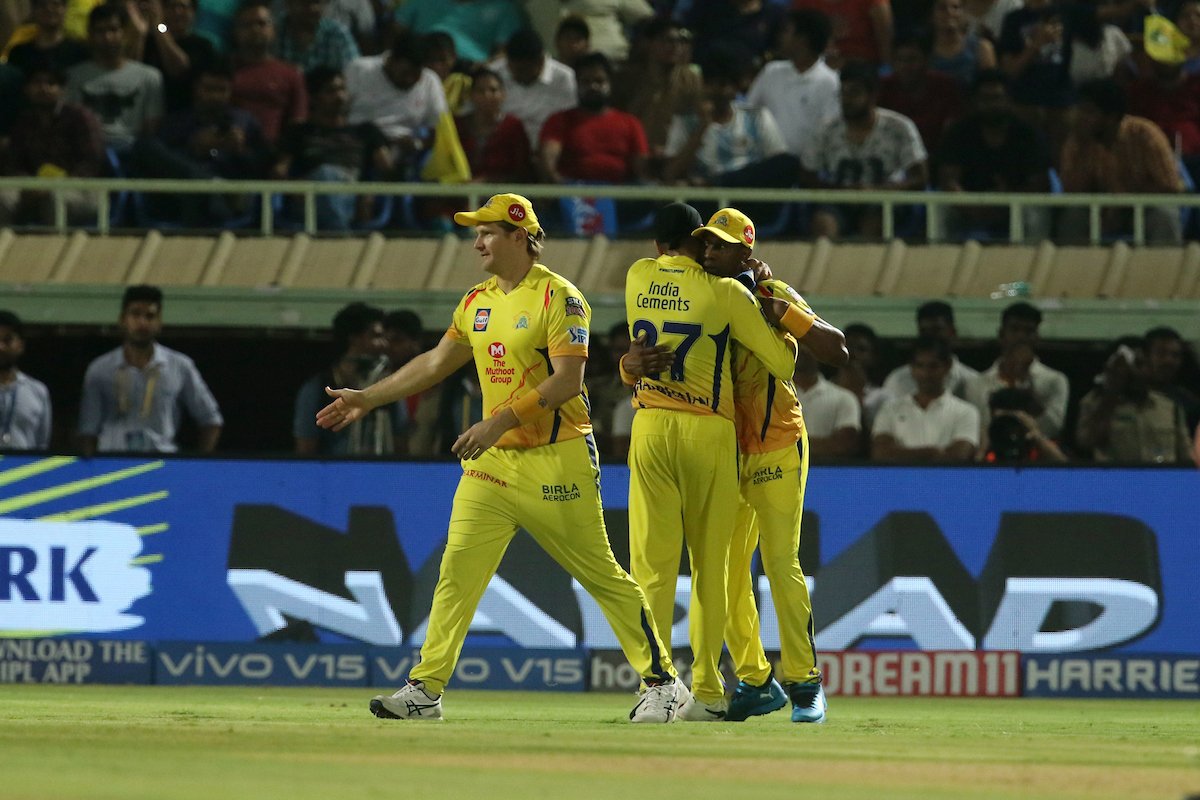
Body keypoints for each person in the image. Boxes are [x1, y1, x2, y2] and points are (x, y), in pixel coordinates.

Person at [317, 193, 684, 723]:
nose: (477, 243)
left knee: (600, 574)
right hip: (492, 468)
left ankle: (664, 684)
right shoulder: (476, 301)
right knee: (456, 573)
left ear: (520, 236)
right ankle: (425, 690)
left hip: (556, 458)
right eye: (476, 232)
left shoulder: (560, 297)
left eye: (487, 232)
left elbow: (567, 382)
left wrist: (498, 420)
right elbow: (436, 362)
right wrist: (367, 398)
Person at [622, 203, 799, 721]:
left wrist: (627, 364)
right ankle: (708, 691)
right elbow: (784, 363)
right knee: (710, 569)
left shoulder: (636, 275)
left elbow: (635, 349)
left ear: (657, 245)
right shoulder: (724, 292)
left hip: (649, 423)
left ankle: (655, 689)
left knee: (650, 569)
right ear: (700, 246)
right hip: (709, 430)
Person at [685, 207, 846, 723]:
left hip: (776, 442)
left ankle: (805, 686)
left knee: (780, 564)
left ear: (746, 254)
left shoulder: (774, 295)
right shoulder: (698, 297)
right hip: (723, 452)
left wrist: (784, 315)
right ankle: (756, 681)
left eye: (720, 246)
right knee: (725, 573)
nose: (709, 253)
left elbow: (837, 350)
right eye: (706, 244)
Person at [77, 285, 223, 455]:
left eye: (150, 316)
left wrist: (197, 466)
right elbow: (88, 431)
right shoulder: (100, 369)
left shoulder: (180, 366)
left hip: (163, 465)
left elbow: (211, 420)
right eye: (135, 314)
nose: (142, 322)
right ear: (122, 320)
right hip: (113, 463)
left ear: (159, 323)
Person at [807, 60, 929, 240]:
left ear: (872, 95)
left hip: (884, 202)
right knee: (823, 223)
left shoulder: (899, 127)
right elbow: (806, 175)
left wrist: (880, 191)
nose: (847, 100)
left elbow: (920, 177)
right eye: (843, 93)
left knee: (874, 223)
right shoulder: (826, 129)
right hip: (838, 202)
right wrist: (839, 191)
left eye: (854, 93)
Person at [1058, 78, 1183, 245]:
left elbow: (1170, 188)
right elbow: (1071, 193)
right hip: (1101, 211)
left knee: (1164, 215)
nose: (1080, 117)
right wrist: (1083, 150)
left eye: (1089, 112)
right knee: (1074, 216)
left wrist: (1125, 197)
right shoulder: (1077, 140)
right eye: (1080, 110)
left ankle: (1164, 268)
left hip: (1144, 207)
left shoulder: (1145, 135)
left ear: (1111, 117)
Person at [936, 69, 1052, 241]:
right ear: (975, 101)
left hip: (1016, 203)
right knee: (941, 211)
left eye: (998, 98)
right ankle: (940, 264)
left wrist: (1006, 202)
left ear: (1009, 100)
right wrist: (973, 206)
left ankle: (1035, 264)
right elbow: (948, 181)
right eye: (985, 99)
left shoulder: (1028, 135)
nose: (992, 105)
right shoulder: (958, 132)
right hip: (968, 205)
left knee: (1035, 214)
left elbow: (1040, 185)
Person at [273, 66, 392, 230]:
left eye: (342, 89)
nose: (340, 97)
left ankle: (337, 231)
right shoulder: (299, 132)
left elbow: (388, 170)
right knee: (326, 174)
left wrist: (371, 191)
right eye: (331, 91)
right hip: (311, 196)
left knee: (332, 177)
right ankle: (341, 234)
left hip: (351, 194)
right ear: (314, 98)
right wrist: (294, 187)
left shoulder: (365, 131)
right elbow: (279, 171)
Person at [662, 55, 799, 190]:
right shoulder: (685, 121)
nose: (715, 91)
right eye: (709, 84)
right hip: (706, 203)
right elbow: (670, 174)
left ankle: (718, 184)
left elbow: (779, 164)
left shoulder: (757, 117)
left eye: (722, 85)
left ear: (735, 89)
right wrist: (702, 127)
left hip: (749, 199)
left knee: (789, 163)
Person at [294, 302, 406, 456]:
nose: (384, 344)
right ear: (354, 339)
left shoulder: (388, 390)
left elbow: (401, 444)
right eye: (376, 336)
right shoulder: (316, 390)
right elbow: (306, 448)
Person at [0, 62, 104, 227]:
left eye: (51, 83)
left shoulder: (81, 118)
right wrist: (29, 184)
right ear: (27, 90)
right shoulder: (23, 122)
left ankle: (51, 250)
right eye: (37, 83)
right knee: (3, 197)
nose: (43, 88)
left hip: (80, 189)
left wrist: (55, 185)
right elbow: (13, 163)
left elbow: (90, 164)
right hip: (32, 188)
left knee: (54, 198)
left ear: (63, 90)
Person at [745, 9, 840, 172]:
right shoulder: (771, 72)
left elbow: (828, 132)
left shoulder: (830, 82)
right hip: (763, 163)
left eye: (786, 31)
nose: (780, 37)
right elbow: (748, 112)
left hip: (806, 169)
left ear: (802, 39)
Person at [66, 3, 164, 155]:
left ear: (124, 33)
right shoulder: (74, 76)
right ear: (90, 34)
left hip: (134, 151)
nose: (107, 37)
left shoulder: (150, 77)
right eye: (100, 31)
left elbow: (151, 129)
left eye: (113, 30)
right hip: (86, 150)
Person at [538, 51, 648, 185]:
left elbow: (641, 168)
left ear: (610, 84)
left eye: (599, 81)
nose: (593, 86)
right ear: (577, 84)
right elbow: (548, 161)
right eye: (586, 81)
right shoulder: (558, 120)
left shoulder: (630, 123)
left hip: (620, 195)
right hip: (572, 192)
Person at [1076, 338, 1193, 463]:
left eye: (1141, 364)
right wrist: (1111, 393)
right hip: (1118, 479)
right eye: (1127, 366)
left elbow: (1186, 455)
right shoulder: (1094, 402)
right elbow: (1087, 441)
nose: (1134, 372)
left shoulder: (1169, 407)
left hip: (1161, 479)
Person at [344, 32, 447, 173]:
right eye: (405, 73)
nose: (410, 80)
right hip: (358, 143)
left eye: (416, 75)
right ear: (391, 60)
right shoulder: (360, 70)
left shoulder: (430, 81)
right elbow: (339, 115)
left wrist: (417, 144)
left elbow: (437, 130)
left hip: (405, 151)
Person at [966, 301, 1069, 440]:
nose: (1021, 337)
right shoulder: (976, 384)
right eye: (1014, 329)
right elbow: (978, 429)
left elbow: (1053, 429)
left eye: (1028, 331)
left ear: (1037, 337)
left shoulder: (1055, 380)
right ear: (1001, 334)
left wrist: (1026, 382)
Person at [871, 335, 980, 462]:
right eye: (920, 366)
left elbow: (959, 456)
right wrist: (933, 452)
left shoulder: (966, 412)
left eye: (933, 366)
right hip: (900, 481)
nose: (925, 373)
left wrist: (902, 453)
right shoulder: (890, 409)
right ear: (911, 368)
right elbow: (881, 453)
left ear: (948, 366)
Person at [229, 0, 307, 147]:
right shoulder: (224, 69)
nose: (255, 30)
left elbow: (298, 122)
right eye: (247, 25)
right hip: (227, 150)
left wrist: (284, 160)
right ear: (236, 32)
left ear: (273, 30)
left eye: (261, 24)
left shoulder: (291, 74)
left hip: (269, 154)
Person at [127, 0, 218, 113]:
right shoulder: (149, 41)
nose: (177, 12)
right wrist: (140, 33)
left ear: (193, 13)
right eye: (170, 6)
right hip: (149, 112)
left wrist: (158, 26)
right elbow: (130, 72)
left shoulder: (203, 46)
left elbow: (178, 70)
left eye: (183, 7)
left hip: (187, 115)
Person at [493, 27, 576, 150]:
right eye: (515, 70)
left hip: (549, 148)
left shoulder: (563, 77)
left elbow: (570, 122)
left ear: (541, 61)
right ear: (508, 62)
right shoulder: (494, 74)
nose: (520, 75)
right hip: (505, 149)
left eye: (524, 71)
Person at [881, 301, 978, 401]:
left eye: (937, 330)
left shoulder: (971, 380)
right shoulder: (897, 380)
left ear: (952, 332)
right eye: (924, 331)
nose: (930, 336)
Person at [455, 67, 533, 182]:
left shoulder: (513, 126)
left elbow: (522, 171)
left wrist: (488, 181)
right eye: (480, 91)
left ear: (503, 94)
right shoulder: (457, 125)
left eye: (493, 90)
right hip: (459, 192)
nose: (487, 95)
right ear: (471, 95)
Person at [793, 342, 862, 458]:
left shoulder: (844, 397)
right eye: (798, 344)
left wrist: (786, 447)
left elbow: (844, 445)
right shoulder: (771, 394)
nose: (802, 350)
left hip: (826, 472)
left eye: (807, 345)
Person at [0, 310, 52, 451]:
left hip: (23, 471)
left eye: (7, 340)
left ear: (20, 345)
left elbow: (42, 444)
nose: (1, 347)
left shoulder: (37, 391)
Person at [3, 0, 90, 77]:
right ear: (33, 11)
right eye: (42, 4)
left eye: (55, 4)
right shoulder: (19, 54)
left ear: (65, 9)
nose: (49, 9)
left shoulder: (80, 52)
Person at [981, 387, 1067, 463]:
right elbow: (971, 475)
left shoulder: (1042, 446)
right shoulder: (989, 444)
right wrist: (983, 448)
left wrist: (1038, 438)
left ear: (1031, 417)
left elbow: (1069, 473)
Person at [275, 0, 359, 73]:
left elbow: (355, 72)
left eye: (317, 2)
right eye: (305, 2)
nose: (313, 8)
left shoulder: (337, 34)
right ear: (288, 4)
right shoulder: (275, 32)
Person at [1143, 326, 1200, 432]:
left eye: (1175, 355)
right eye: (1161, 353)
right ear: (1145, 356)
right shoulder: (1128, 397)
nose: (1168, 360)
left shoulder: (1187, 405)